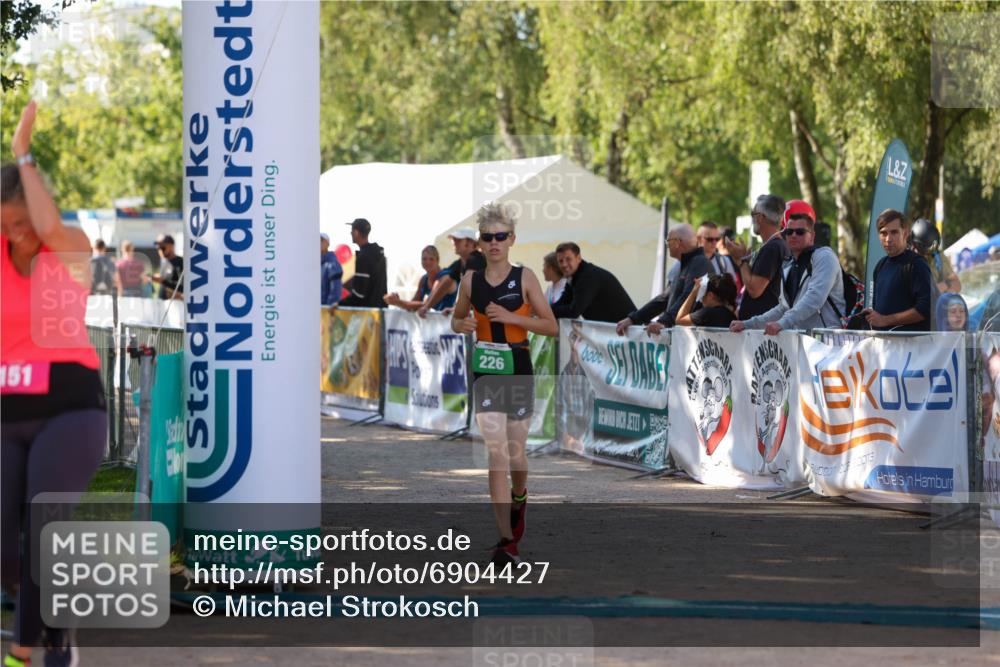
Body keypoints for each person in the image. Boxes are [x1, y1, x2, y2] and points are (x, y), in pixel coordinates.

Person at [2, 101, 107, 667]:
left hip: (70, 408)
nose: (18, 233)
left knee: (45, 524)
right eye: (6, 223)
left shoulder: (67, 247)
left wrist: (24, 154)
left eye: (23, 221)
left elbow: (43, 225)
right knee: (8, 550)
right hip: (7, 412)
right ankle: (44, 619)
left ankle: (41, 648)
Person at [451, 202, 556, 566]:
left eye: (500, 236)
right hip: (486, 371)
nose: (493, 243)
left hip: (518, 366)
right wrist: (462, 325)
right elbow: (456, 319)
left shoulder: (525, 278)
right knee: (495, 452)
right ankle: (506, 541)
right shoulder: (470, 281)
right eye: (486, 237)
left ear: (512, 239)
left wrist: (513, 317)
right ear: (478, 243)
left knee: (515, 453)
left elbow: (551, 326)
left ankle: (520, 495)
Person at [730, 200, 845, 334]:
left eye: (800, 232)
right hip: (799, 343)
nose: (793, 235)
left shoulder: (824, 257)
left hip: (829, 343)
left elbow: (815, 298)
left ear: (812, 236)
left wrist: (782, 323)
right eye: (789, 232)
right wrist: (747, 324)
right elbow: (783, 308)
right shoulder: (788, 265)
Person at [615, 224, 711, 335]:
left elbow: (687, 296)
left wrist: (664, 322)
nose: (667, 245)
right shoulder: (684, 265)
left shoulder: (699, 262)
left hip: (690, 340)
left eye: (668, 241)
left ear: (677, 242)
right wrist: (633, 319)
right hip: (680, 337)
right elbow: (664, 298)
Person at [861, 209, 932, 332]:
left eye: (894, 232)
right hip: (884, 347)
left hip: (911, 347)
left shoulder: (917, 265)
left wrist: (885, 320)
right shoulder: (880, 266)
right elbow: (879, 312)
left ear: (905, 233)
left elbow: (925, 309)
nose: (888, 239)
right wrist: (870, 316)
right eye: (883, 233)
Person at [725, 194, 790, 320]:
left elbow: (754, 290)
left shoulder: (772, 248)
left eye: (752, 213)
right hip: (763, 327)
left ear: (760, 217)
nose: (752, 218)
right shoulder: (776, 245)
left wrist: (741, 260)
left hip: (761, 331)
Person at [551, 242, 636, 323]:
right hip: (616, 331)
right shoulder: (575, 275)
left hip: (630, 331)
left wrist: (547, 312)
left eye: (568, 259)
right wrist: (545, 311)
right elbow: (563, 302)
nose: (564, 264)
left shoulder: (588, 276)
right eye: (560, 261)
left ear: (578, 258)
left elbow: (574, 311)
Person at [418, 229, 485, 317]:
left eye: (459, 240)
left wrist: (456, 308)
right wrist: (427, 306)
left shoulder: (476, 260)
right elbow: (445, 285)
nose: (454, 242)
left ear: (471, 243)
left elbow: (472, 289)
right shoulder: (460, 263)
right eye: (454, 239)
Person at [384, 245, 454, 311]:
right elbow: (413, 304)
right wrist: (397, 300)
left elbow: (427, 304)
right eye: (424, 259)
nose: (427, 262)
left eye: (431, 259)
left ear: (437, 260)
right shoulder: (424, 279)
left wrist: (398, 302)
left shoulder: (444, 277)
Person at [340, 218, 387, 308]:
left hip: (366, 316)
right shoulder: (380, 256)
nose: (350, 233)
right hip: (379, 313)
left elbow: (359, 295)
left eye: (352, 231)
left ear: (356, 233)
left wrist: (338, 305)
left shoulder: (363, 257)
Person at [909, 218, 961, 295]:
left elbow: (957, 285)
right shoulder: (905, 262)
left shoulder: (937, 257)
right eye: (925, 251)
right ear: (915, 246)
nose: (927, 255)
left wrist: (944, 285)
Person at [698, 221, 741, 291]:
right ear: (699, 239)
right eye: (710, 239)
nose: (714, 242)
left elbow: (735, 288)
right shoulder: (688, 261)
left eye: (717, 239)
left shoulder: (724, 261)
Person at [152, 233, 183, 300]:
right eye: (158, 248)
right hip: (162, 303)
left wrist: (163, 281)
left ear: (171, 246)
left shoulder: (180, 262)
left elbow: (183, 287)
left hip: (176, 305)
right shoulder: (163, 261)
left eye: (163, 248)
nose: (160, 251)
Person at [320, 233, 343, 308]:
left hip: (324, 313)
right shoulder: (312, 264)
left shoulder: (332, 263)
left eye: (321, 240)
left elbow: (335, 291)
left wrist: (327, 309)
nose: (318, 243)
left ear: (327, 243)